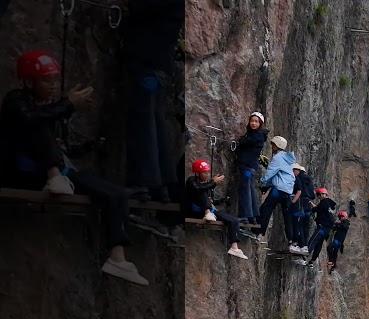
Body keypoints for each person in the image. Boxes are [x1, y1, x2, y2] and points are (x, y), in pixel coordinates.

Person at [0, 50, 149, 285]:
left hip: (59, 175)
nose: (51, 86)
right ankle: (54, 176)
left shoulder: (47, 108)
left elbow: (61, 149)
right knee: (39, 124)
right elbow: (31, 120)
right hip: (22, 172)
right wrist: (68, 104)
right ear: (29, 82)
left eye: (53, 80)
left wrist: (91, 146)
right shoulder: (16, 101)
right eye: (45, 80)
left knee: (116, 194)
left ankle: (117, 259)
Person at [124, 0, 183, 202]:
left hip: (147, 62)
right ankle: (163, 185)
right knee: (154, 120)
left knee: (143, 121)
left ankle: (144, 182)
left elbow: (143, 10)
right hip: (158, 64)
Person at [185, 160, 248, 259]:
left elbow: (211, 201)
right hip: (195, 210)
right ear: (197, 173)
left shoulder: (206, 184)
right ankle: (207, 213)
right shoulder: (192, 181)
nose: (206, 174)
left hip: (210, 212)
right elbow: (198, 189)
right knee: (202, 191)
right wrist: (213, 182)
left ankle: (234, 247)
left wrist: (222, 200)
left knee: (233, 220)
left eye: (207, 172)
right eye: (204, 172)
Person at [258, 135, 295, 245]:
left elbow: (270, 173)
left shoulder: (278, 157)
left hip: (278, 190)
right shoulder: (288, 159)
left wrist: (262, 182)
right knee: (287, 215)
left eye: (273, 145)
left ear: (277, 146)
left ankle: (259, 233)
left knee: (266, 209)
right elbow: (278, 176)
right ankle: (291, 240)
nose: (272, 147)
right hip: (287, 190)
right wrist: (267, 186)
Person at [235, 111, 267, 223]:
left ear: (260, 124)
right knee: (250, 190)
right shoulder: (255, 135)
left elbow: (245, 142)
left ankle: (245, 215)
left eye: (256, 121)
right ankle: (253, 215)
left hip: (247, 167)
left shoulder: (256, 136)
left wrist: (240, 141)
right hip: (250, 167)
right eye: (252, 121)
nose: (253, 123)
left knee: (245, 190)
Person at [300, 187, 336, 269]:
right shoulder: (331, 204)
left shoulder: (324, 202)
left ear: (322, 195)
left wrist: (310, 206)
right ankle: (312, 261)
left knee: (313, 240)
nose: (318, 197)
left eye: (319, 195)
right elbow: (321, 209)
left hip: (322, 227)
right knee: (318, 245)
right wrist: (314, 206)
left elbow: (316, 209)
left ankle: (305, 255)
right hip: (328, 229)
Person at [289, 162, 315, 254]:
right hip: (308, 204)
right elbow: (313, 195)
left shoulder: (299, 178)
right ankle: (304, 245)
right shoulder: (309, 180)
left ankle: (299, 244)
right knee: (305, 226)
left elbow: (297, 190)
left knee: (298, 223)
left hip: (301, 203)